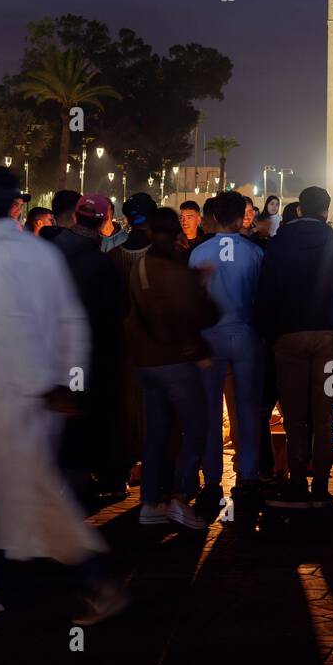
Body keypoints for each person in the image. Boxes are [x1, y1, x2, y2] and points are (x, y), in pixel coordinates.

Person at [0, 167, 127, 624]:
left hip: (18, 399)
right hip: (38, 394)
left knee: (41, 503)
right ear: (15, 204)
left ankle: (98, 584)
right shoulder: (38, 250)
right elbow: (71, 320)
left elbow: (9, 332)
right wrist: (69, 381)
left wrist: (42, 388)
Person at [255, 185, 333, 508]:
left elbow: (266, 293)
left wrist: (269, 333)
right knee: (324, 413)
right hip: (329, 335)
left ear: (300, 210)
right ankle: (322, 487)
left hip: (289, 335)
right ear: (326, 211)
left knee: (295, 414)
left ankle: (298, 482)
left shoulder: (278, 243)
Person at [127, 206, 213, 530]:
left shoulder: (140, 267)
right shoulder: (176, 270)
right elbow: (202, 314)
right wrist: (199, 284)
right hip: (176, 360)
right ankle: (181, 496)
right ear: (176, 232)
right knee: (196, 428)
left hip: (146, 363)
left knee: (157, 432)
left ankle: (150, 501)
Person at [189, 190, 265, 508]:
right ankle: (248, 475)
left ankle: (211, 480)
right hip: (246, 333)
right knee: (247, 408)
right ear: (239, 218)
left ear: (213, 218)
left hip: (209, 336)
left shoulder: (198, 253)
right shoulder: (254, 253)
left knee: (208, 410)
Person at [51, 193, 128, 498]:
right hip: (91, 350)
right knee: (88, 413)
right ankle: (79, 480)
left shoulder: (53, 251)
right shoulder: (100, 262)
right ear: (104, 221)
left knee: (66, 412)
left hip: (55, 348)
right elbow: (119, 309)